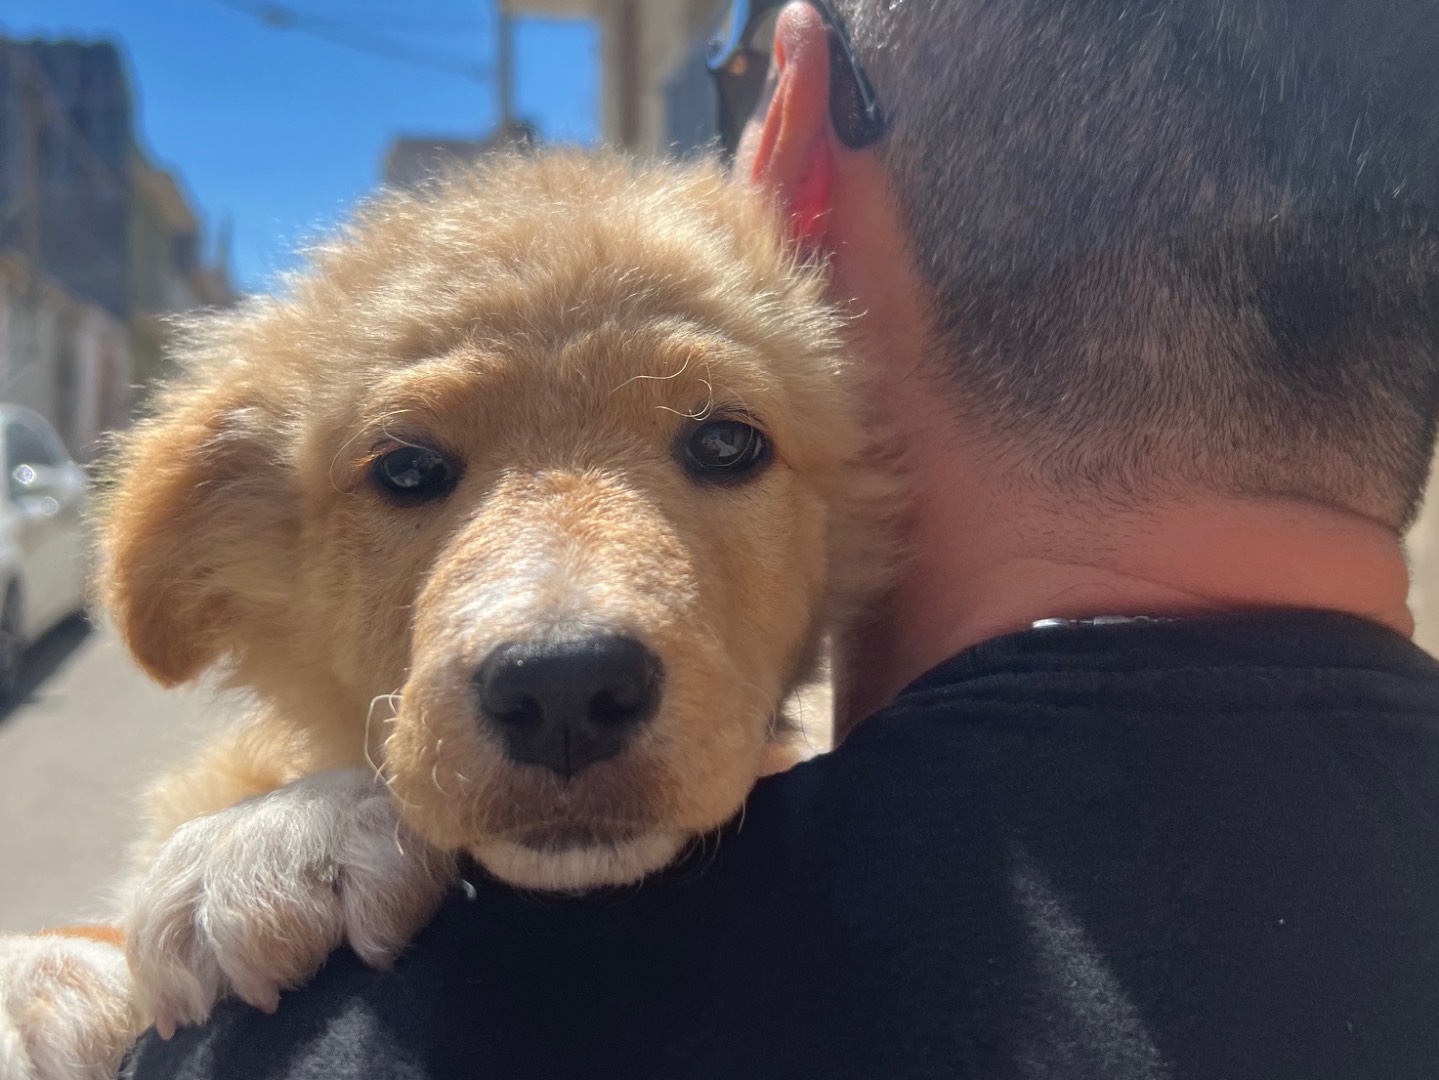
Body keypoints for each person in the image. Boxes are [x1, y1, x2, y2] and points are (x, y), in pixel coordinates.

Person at [125, 1, 1439, 1076]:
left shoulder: (304, 1047)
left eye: (719, 448)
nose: (563, 623)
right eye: (412, 469)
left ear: (797, 168)